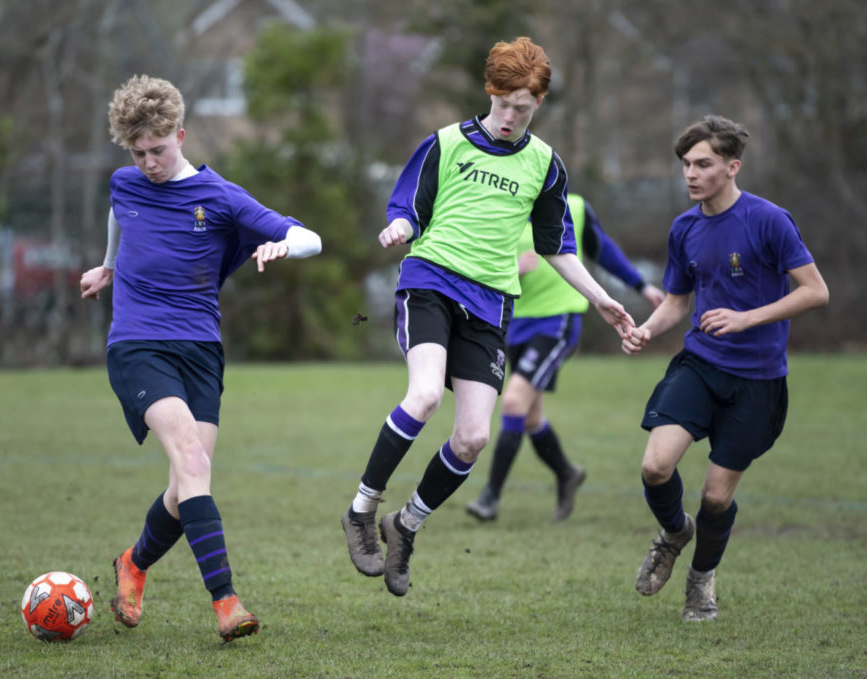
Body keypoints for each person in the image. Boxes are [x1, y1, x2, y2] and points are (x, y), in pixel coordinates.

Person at [340, 37, 634, 597]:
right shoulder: (446, 143)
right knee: (424, 396)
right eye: (502, 105)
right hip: (430, 280)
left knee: (473, 437)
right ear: (490, 93)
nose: (509, 118)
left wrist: (601, 298)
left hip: (490, 302)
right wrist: (402, 226)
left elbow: (557, 245)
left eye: (521, 109)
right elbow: (408, 203)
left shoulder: (545, 165)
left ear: (538, 104)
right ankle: (360, 511)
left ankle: (404, 527)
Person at [80, 74, 321, 641]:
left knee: (188, 480)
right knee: (190, 459)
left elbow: (310, 238)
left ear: (181, 135)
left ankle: (133, 564)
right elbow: (119, 212)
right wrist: (109, 265)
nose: (148, 163)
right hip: (137, 344)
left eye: (158, 150)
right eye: (138, 153)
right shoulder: (125, 183)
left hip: (201, 351)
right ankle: (226, 602)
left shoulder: (220, 198)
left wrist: (284, 242)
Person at [622, 115, 828, 621]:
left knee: (716, 497)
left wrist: (747, 318)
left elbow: (816, 291)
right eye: (686, 165)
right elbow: (677, 301)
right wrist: (649, 329)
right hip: (700, 364)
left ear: (732, 167)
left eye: (703, 164)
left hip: (756, 380)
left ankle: (701, 580)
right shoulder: (684, 228)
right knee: (654, 465)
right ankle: (674, 533)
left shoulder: (769, 220)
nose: (690, 174)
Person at [465, 194, 665, 522]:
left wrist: (640, 285)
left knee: (514, 401)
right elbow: (473, 264)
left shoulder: (574, 207)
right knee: (529, 417)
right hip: (514, 324)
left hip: (558, 320)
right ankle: (567, 472)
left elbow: (601, 249)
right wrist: (510, 269)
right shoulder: (495, 204)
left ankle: (490, 497)